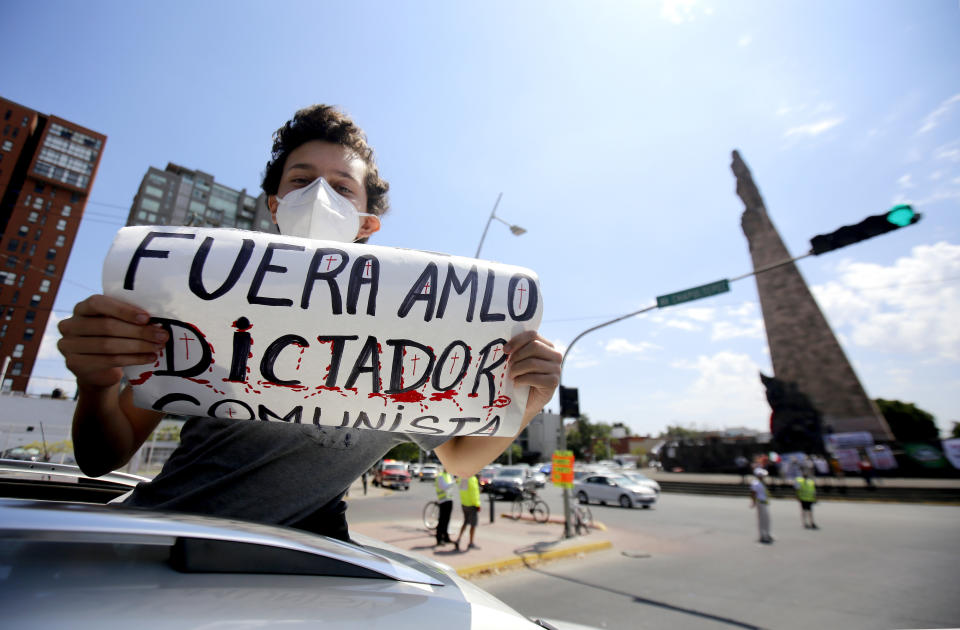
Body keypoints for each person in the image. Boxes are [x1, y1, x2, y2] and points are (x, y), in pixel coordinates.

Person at [57, 104, 562, 543]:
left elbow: (460, 459)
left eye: (343, 188)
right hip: (158, 544)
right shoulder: (200, 302)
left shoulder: (413, 332)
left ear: (367, 223)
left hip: (301, 570)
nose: (320, 195)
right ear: (275, 205)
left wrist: (528, 400)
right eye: (301, 181)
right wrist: (97, 384)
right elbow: (104, 455)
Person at [455, 474, 481, 551]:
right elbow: (474, 494)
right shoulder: (472, 479)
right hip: (472, 505)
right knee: (473, 524)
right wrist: (477, 504)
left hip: (464, 503)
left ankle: (458, 539)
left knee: (465, 522)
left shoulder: (462, 478)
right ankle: (471, 542)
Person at [749, 468, 773, 544]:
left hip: (764, 502)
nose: (763, 477)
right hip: (760, 503)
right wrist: (753, 502)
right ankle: (763, 535)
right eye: (762, 476)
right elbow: (753, 493)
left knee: (767, 519)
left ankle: (767, 534)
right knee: (762, 520)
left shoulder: (761, 482)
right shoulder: (756, 483)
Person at [434, 469, 455, 546]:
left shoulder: (448, 475)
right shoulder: (440, 476)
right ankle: (439, 538)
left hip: (449, 499)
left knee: (447, 520)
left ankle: (446, 537)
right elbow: (444, 487)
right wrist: (453, 482)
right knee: (442, 520)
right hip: (443, 501)